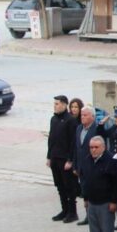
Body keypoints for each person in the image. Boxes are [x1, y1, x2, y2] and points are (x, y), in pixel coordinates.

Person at [78, 136, 117, 232]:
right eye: (91, 147)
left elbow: (115, 183)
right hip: (92, 202)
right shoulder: (87, 160)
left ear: (103, 147)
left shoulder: (110, 160)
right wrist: (85, 198)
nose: (93, 150)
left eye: (96, 147)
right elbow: (84, 180)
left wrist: (114, 201)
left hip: (105, 203)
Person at [47, 95, 79, 223]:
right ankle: (64, 210)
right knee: (59, 186)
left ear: (65, 105)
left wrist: (70, 160)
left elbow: (73, 142)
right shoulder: (53, 119)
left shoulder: (70, 120)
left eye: (57, 104)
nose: (55, 106)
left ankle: (72, 212)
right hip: (55, 158)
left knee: (69, 187)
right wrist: (49, 156)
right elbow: (51, 139)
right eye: (54, 104)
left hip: (65, 160)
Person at [72, 107, 102, 226]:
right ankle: (88, 216)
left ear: (92, 117)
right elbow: (76, 148)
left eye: (85, 115)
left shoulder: (97, 129)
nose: (82, 117)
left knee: (94, 190)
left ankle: (97, 216)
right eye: (81, 115)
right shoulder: (79, 128)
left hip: (93, 166)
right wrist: (75, 165)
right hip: (81, 166)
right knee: (85, 191)